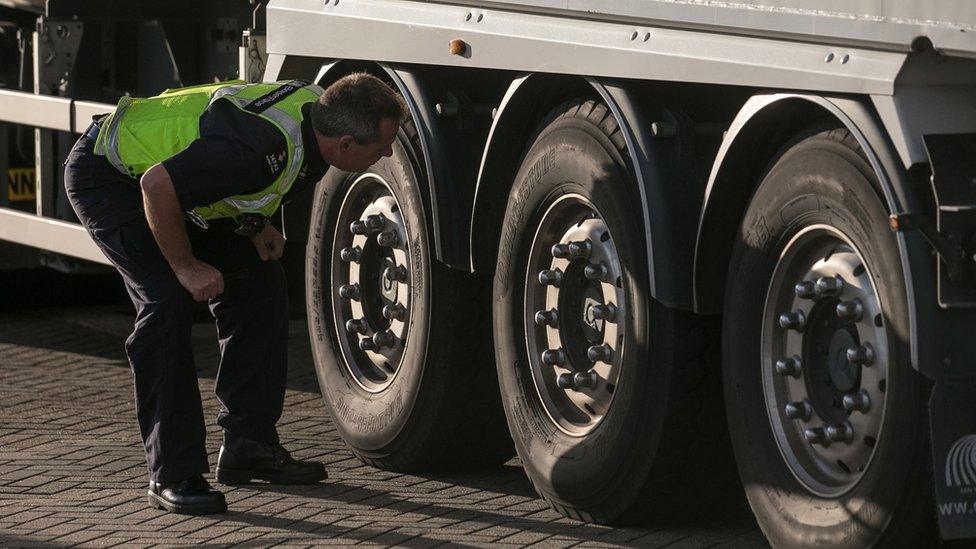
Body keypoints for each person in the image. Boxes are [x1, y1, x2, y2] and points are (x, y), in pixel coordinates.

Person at [63, 73, 407, 515]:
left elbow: (233, 182)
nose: (389, 153)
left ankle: (249, 445)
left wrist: (254, 225)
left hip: (174, 186)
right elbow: (158, 185)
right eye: (382, 145)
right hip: (115, 178)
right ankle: (173, 474)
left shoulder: (315, 117)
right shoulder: (257, 149)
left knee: (260, 282)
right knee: (165, 302)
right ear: (344, 144)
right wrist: (186, 266)